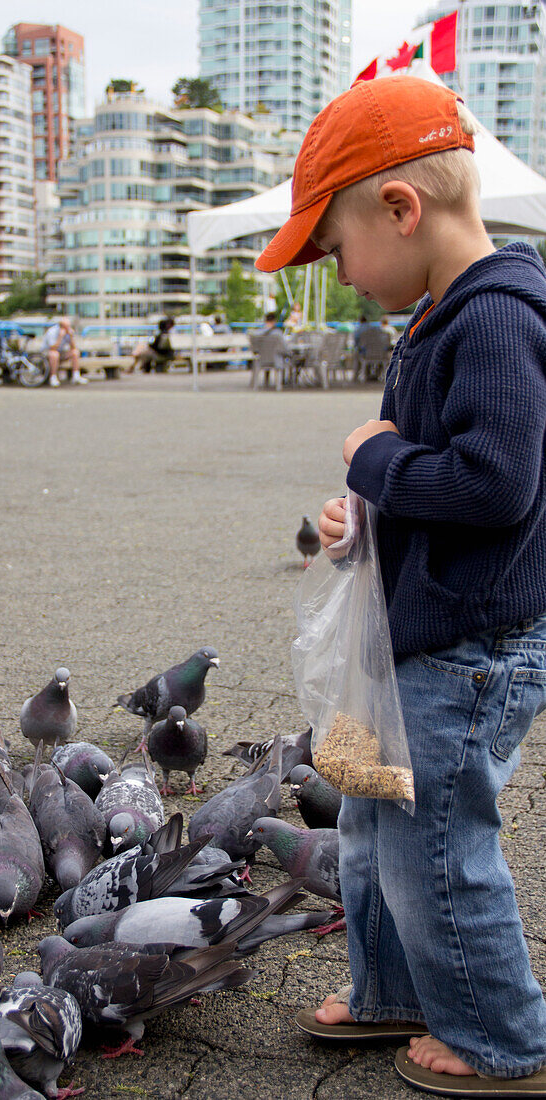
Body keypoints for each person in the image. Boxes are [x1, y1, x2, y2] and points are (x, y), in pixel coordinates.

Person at [256, 75, 546, 1096]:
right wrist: (360, 516)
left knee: (434, 837)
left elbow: (493, 481)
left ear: (398, 209)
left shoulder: (499, 320)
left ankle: (500, 1037)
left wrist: (374, 463)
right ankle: (392, 987)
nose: (335, 274)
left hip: (467, 646)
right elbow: (420, 469)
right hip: (406, 633)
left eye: (333, 248)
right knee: (365, 810)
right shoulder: (434, 322)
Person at [41, 317, 87, 386]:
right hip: (48, 354)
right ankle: (53, 377)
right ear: (61, 326)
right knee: (54, 354)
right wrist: (60, 337)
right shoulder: (52, 332)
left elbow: (73, 347)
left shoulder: (68, 332)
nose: (68, 328)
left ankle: (76, 376)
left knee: (75, 352)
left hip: (61, 353)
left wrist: (71, 337)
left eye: (69, 326)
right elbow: (53, 348)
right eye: (66, 327)